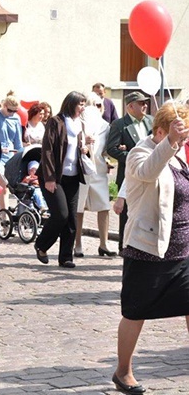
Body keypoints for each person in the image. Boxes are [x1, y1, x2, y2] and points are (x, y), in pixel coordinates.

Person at [112, 102, 189, 395]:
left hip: (183, 248)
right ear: (159, 131)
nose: (183, 142)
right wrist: (171, 142)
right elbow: (148, 172)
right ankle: (123, 371)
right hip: (148, 248)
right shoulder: (140, 153)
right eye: (179, 136)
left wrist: (175, 144)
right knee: (136, 311)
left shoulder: (179, 154)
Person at [34, 91, 89, 269]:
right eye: (80, 104)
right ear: (71, 103)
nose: (83, 107)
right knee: (61, 214)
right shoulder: (56, 122)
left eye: (84, 104)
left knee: (71, 219)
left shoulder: (80, 123)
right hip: (54, 177)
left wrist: (85, 148)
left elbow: (78, 147)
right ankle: (42, 245)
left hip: (73, 176)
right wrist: (49, 178)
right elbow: (48, 150)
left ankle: (66, 257)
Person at [106, 91, 153, 252]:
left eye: (145, 102)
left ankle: (143, 245)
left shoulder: (151, 122)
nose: (145, 105)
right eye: (141, 103)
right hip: (129, 174)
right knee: (126, 212)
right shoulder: (119, 124)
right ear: (130, 106)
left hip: (150, 173)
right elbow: (111, 149)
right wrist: (133, 157)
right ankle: (124, 246)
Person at [74, 93, 116, 258]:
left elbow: (106, 149)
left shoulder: (106, 126)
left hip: (98, 170)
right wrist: (83, 144)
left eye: (99, 105)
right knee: (79, 208)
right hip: (82, 170)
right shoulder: (77, 123)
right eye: (92, 104)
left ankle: (104, 244)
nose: (95, 108)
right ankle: (77, 244)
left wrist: (109, 157)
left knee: (104, 206)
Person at [0, 95, 23, 210]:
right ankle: (4, 216)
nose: (12, 113)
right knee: (3, 185)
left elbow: (18, 141)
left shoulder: (16, 118)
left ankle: (4, 215)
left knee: (9, 186)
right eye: (10, 110)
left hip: (10, 155)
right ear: (4, 105)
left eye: (15, 111)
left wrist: (21, 156)